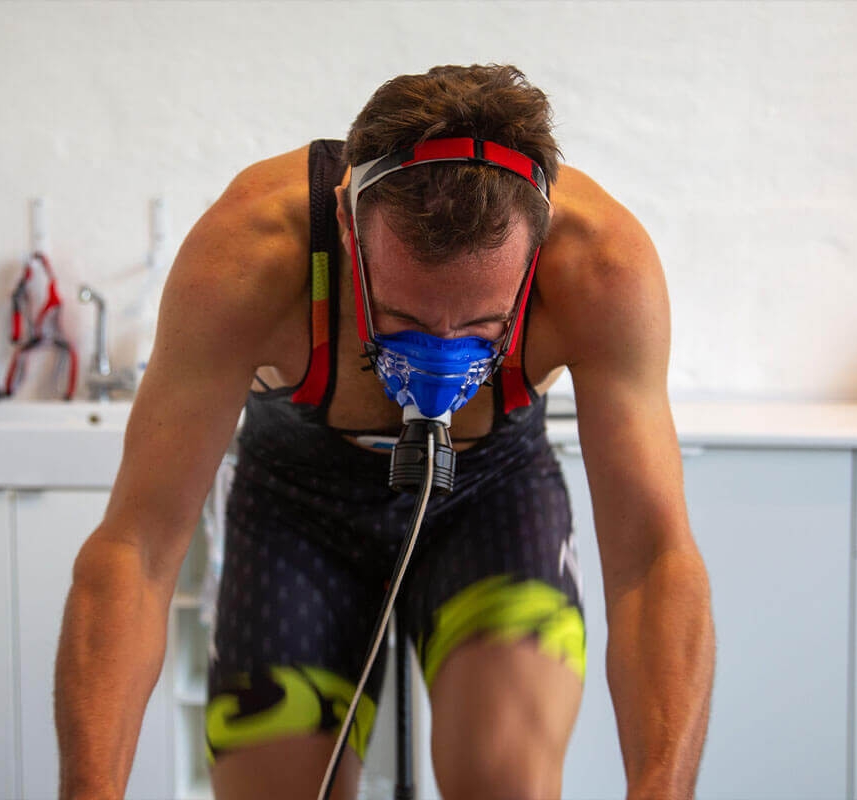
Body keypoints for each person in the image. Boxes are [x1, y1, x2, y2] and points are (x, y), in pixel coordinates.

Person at [55, 63, 715, 800]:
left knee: (507, 778)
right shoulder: (247, 256)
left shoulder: (601, 267)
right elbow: (135, 551)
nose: (442, 350)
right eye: (403, 317)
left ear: (537, 250)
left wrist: (662, 790)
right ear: (347, 226)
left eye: (483, 324)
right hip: (297, 506)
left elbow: (654, 560)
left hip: (490, 496)